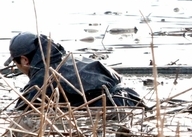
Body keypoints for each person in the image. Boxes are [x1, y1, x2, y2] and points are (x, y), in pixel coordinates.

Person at [5, 32, 144, 111]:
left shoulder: (41, 81)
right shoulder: (69, 60)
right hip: (132, 97)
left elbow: (18, 111)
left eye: (16, 63)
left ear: (24, 60)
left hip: (111, 107)